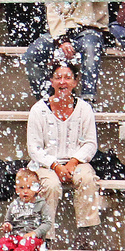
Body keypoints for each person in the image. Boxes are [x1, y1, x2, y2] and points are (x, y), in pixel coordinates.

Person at [25, 61, 102, 237]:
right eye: (58, 77)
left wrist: (73, 162)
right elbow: (34, 148)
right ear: (51, 81)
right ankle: (45, 236)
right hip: (45, 165)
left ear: (75, 82)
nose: (63, 82)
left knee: (87, 179)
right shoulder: (38, 110)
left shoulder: (84, 108)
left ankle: (85, 232)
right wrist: (55, 165)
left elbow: (90, 143)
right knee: (50, 185)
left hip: (77, 161)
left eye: (68, 78)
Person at [0, 167, 54, 251]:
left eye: (29, 188)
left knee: (28, 245)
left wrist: (35, 233)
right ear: (16, 189)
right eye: (21, 188)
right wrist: (8, 226)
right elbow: (9, 221)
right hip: (16, 236)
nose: (25, 192)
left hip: (34, 239)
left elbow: (47, 223)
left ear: (37, 188)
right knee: (4, 241)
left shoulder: (41, 204)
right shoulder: (14, 205)